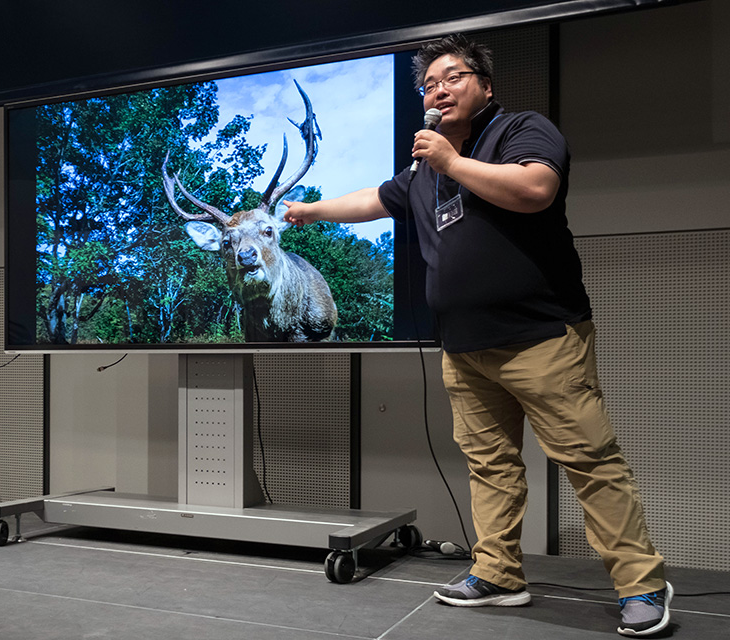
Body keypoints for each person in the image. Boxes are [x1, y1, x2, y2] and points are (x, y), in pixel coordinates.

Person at [283, 34, 670, 638]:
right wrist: (311, 211)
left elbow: (535, 189)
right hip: (464, 349)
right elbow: (373, 199)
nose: (438, 90)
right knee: (490, 466)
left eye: (453, 77)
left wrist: (450, 162)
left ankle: (641, 584)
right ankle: (498, 575)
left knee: (590, 462)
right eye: (428, 85)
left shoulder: (520, 130)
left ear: (485, 86)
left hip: (540, 337)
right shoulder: (422, 171)